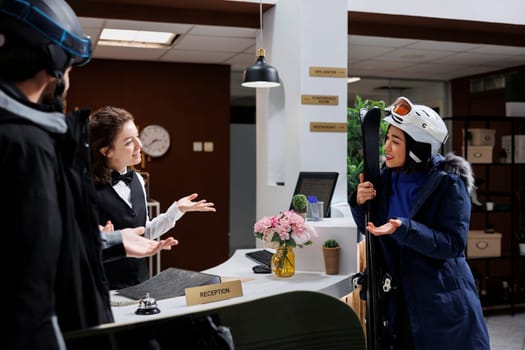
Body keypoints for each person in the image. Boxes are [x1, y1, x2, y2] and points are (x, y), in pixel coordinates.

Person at [0, 1, 177, 348]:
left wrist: (113, 241)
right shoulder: (26, 145)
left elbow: (35, 241)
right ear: (53, 61)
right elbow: (30, 282)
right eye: (69, 68)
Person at [349, 96, 490, 349]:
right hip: (400, 301)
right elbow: (371, 230)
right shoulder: (385, 180)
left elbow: (453, 244)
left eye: (396, 141)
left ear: (419, 146)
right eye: (387, 139)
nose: (386, 148)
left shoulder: (448, 183)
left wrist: (405, 228)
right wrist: (359, 204)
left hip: (441, 300)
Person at [89, 105, 216, 289]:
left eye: (138, 137)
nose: (140, 146)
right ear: (106, 150)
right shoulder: (84, 187)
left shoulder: (138, 179)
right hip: (103, 289)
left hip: (140, 284)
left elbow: (145, 232)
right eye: (128, 142)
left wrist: (176, 211)